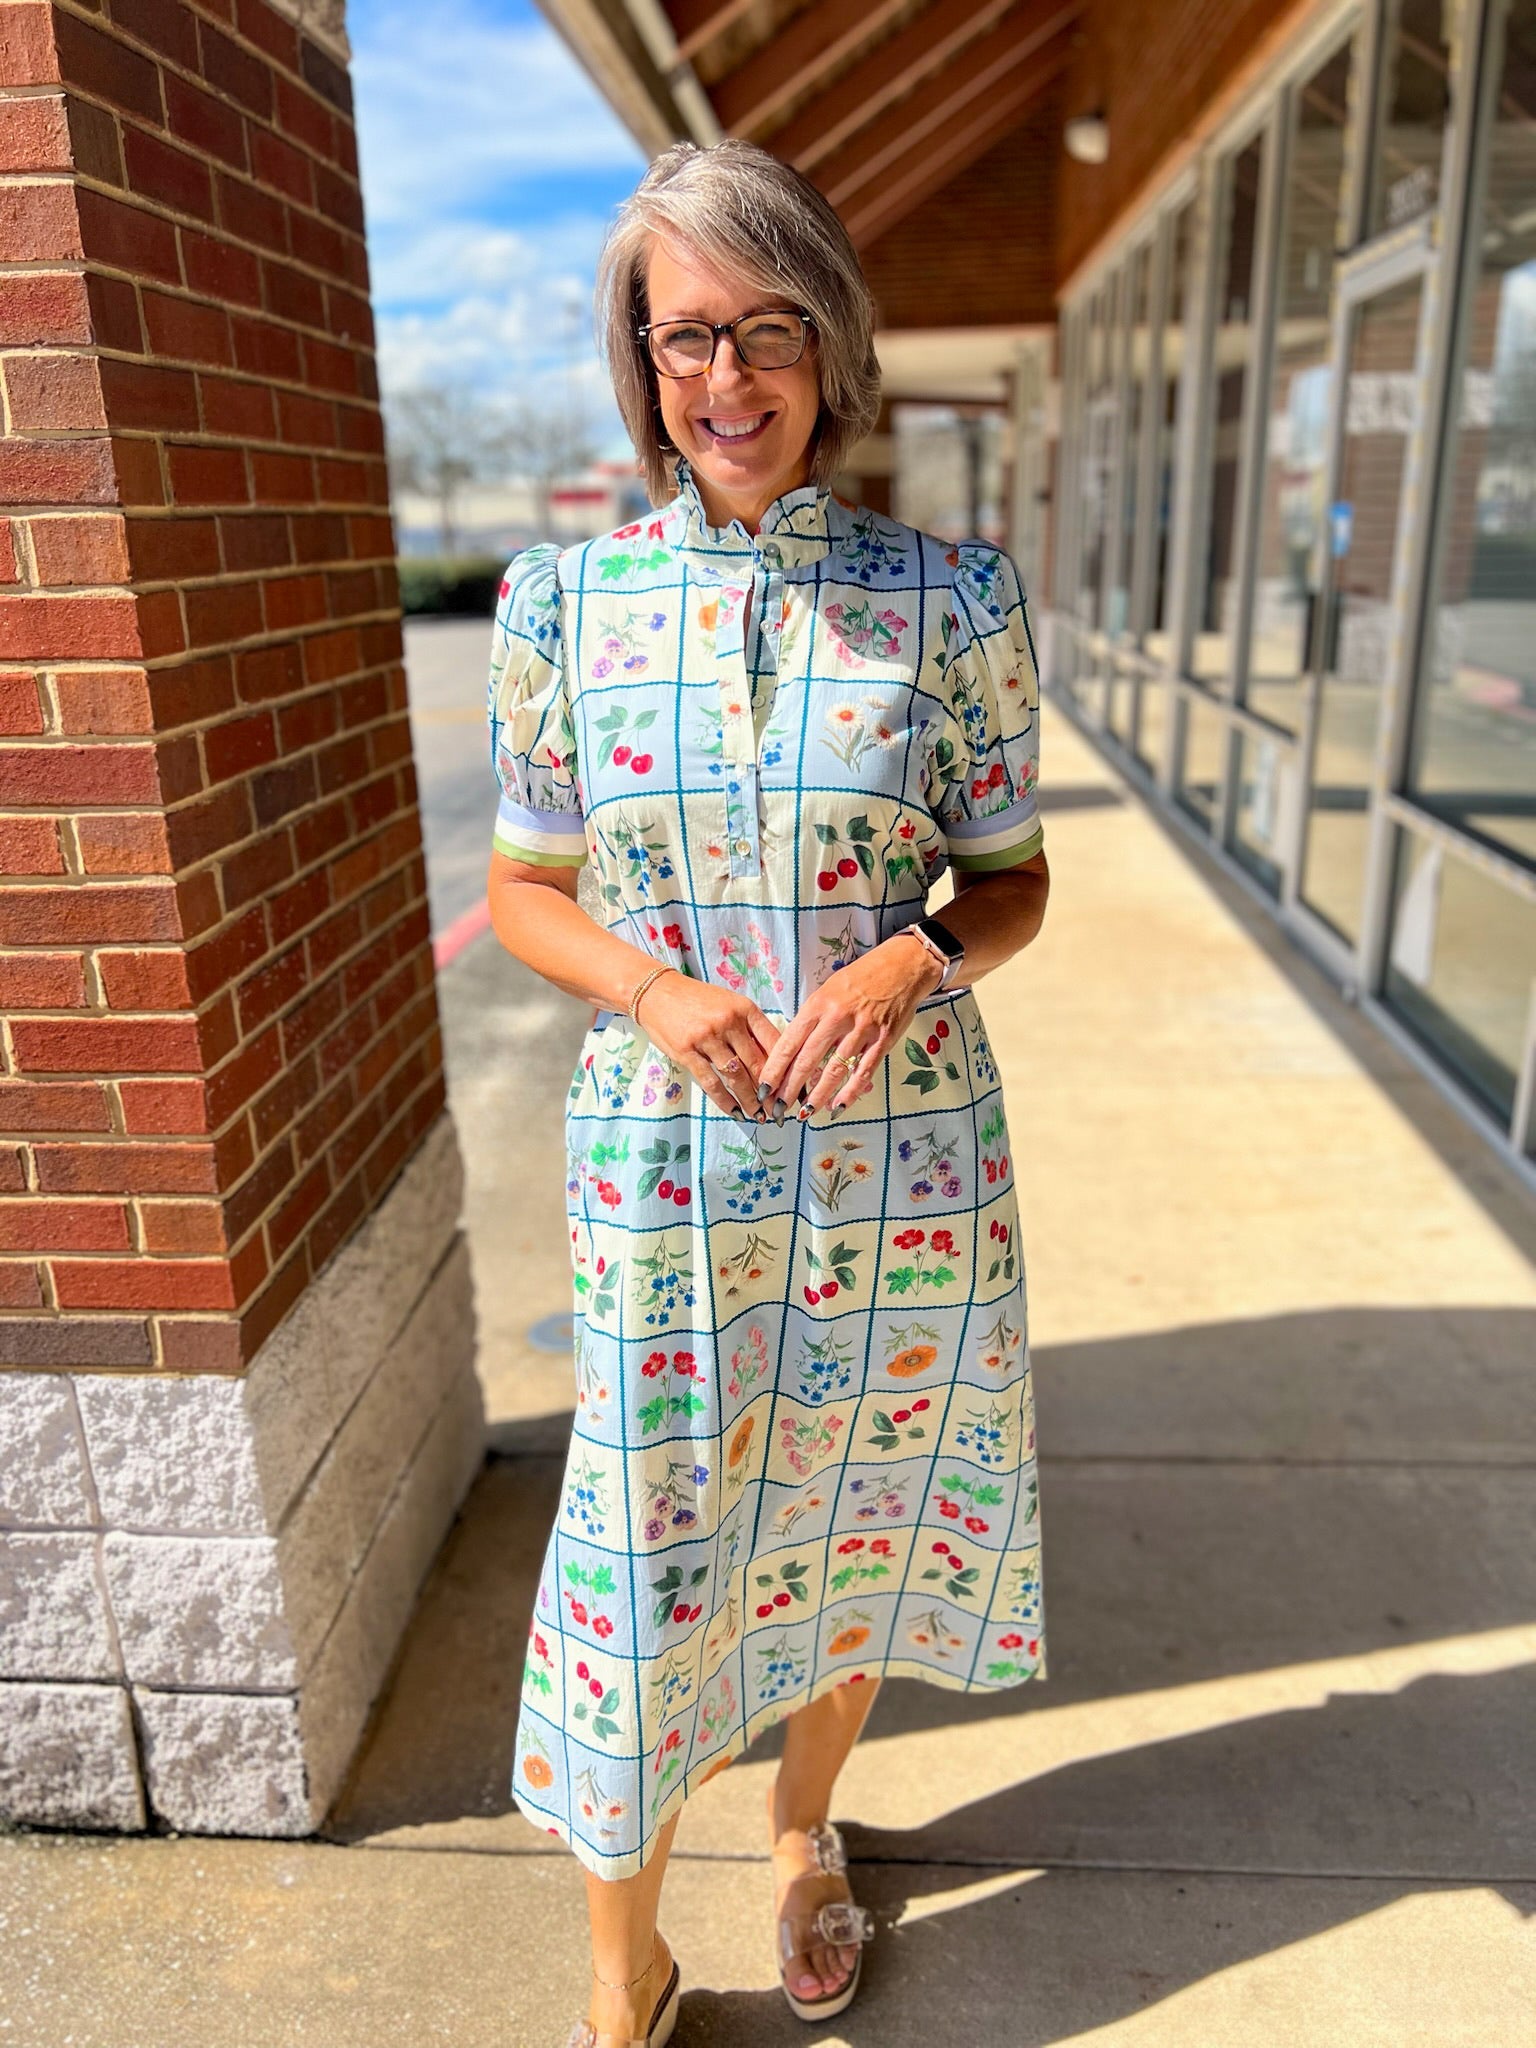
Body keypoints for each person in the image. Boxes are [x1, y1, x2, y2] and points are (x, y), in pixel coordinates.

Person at [486, 137, 1050, 2048]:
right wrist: (652, 989)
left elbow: (1016, 875)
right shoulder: (565, 604)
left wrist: (910, 957)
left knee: (856, 1495)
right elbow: (517, 891)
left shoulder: (952, 598)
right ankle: (615, 1965)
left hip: (904, 1151)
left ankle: (805, 1831)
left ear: (831, 344)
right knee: (646, 1534)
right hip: (667, 1159)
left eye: (764, 330)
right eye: (681, 339)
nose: (723, 381)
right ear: (640, 363)